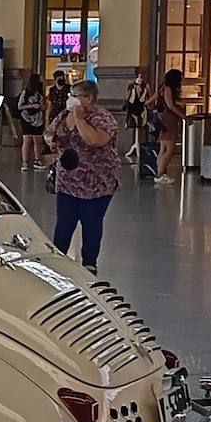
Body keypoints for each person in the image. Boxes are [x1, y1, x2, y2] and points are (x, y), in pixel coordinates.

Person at [44, 79, 119, 275]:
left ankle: (89, 262)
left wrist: (79, 118)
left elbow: (93, 140)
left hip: (96, 182)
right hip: (67, 180)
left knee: (91, 221)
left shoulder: (103, 118)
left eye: (77, 96)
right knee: (64, 221)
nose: (72, 99)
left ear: (89, 98)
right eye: (72, 95)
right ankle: (58, 258)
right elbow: (50, 131)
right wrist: (50, 139)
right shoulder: (63, 116)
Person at [146, 69, 184, 184]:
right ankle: (160, 174)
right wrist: (184, 116)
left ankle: (160, 173)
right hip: (168, 120)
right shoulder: (168, 88)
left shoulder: (162, 88)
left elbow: (154, 99)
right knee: (169, 149)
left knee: (163, 148)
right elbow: (170, 105)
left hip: (163, 119)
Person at [18, 73, 46, 171]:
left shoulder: (41, 93)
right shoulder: (26, 92)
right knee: (27, 140)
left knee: (38, 141)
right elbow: (19, 106)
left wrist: (41, 107)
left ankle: (37, 160)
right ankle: (25, 162)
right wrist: (32, 106)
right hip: (26, 118)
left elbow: (43, 106)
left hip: (38, 119)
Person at [124, 69, 149, 162]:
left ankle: (138, 145)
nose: (139, 78)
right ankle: (135, 145)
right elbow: (128, 96)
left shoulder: (145, 86)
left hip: (141, 108)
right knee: (134, 123)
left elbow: (147, 97)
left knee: (141, 123)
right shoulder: (131, 86)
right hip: (133, 107)